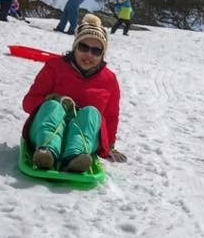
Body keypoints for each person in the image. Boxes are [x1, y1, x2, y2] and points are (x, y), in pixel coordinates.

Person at [22, 15, 128, 172]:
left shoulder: (109, 80)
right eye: (83, 47)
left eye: (96, 51)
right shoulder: (54, 67)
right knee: (52, 106)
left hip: (86, 136)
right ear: (75, 46)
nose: (89, 55)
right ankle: (46, 152)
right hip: (46, 129)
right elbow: (28, 102)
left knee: (91, 112)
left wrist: (110, 145)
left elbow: (111, 116)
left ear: (102, 54)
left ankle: (76, 157)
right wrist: (49, 100)